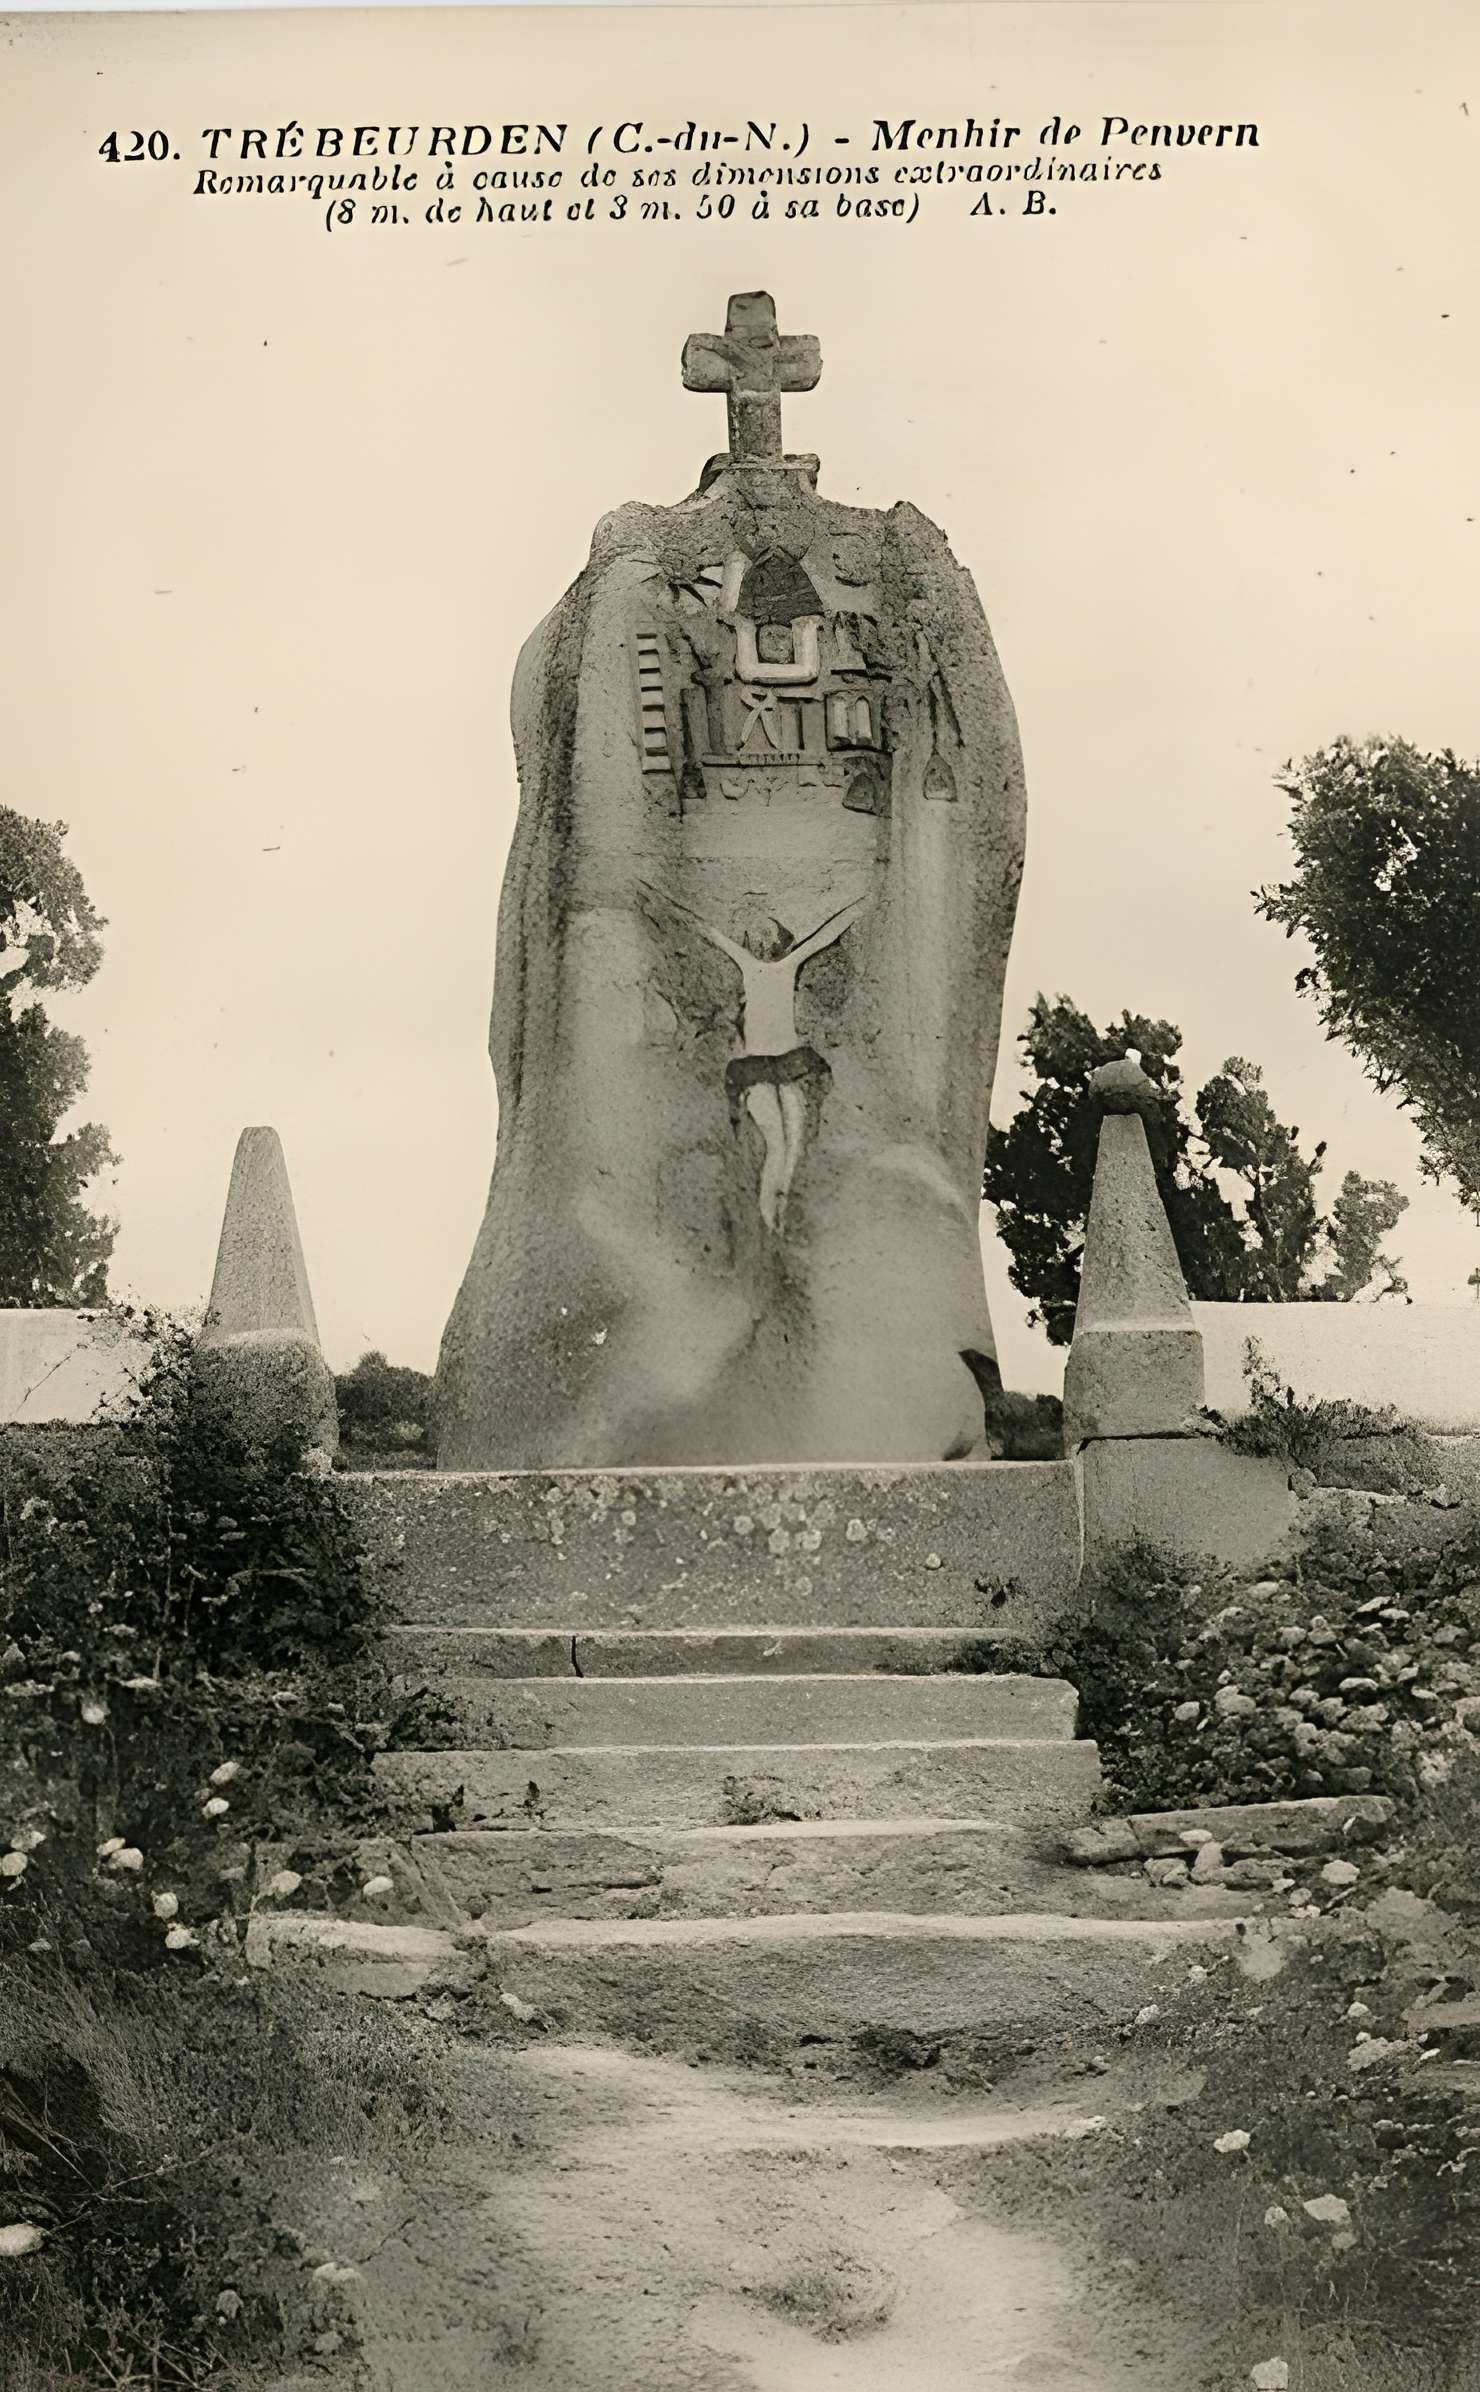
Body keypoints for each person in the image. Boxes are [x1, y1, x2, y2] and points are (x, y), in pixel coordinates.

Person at [637, 882, 866, 1230]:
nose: (761, 942)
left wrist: (859, 905)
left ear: (778, 941)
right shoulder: (752, 964)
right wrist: (660, 900)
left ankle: (780, 1217)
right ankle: (771, 1223)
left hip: (787, 1063)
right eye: (756, 936)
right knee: (779, 1147)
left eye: (767, 935)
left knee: (792, 1147)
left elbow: (824, 935)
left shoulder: (787, 965)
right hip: (762, 1066)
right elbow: (706, 930)